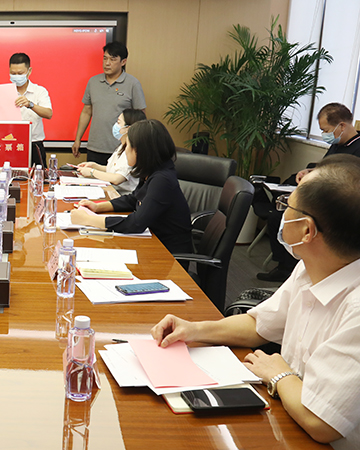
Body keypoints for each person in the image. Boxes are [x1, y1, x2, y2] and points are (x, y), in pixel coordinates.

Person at [151, 160, 360, 449]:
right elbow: (258, 325)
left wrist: (279, 374)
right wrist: (193, 330)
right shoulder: (311, 267)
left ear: (307, 231)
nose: (282, 212)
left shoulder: (355, 309)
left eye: (287, 205)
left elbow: (321, 422)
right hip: (288, 417)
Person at [258, 102, 360, 282]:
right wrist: (310, 172)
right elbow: (326, 168)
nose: (324, 135)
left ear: (342, 126)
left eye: (326, 130)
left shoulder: (357, 149)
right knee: (277, 216)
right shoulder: (337, 144)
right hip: (321, 198)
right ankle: (285, 267)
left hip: (339, 208)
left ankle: (294, 267)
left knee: (285, 219)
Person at [70, 119, 192, 254]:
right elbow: (133, 199)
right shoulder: (151, 171)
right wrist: (98, 207)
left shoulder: (162, 180)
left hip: (168, 253)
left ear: (142, 151)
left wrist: (89, 220)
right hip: (151, 242)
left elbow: (137, 223)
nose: (125, 151)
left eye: (128, 146)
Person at [71, 41, 147, 165]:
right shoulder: (93, 82)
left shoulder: (133, 84)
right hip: (94, 147)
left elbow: (140, 118)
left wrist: (135, 145)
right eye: (105, 58)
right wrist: (77, 139)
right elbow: (86, 112)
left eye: (112, 59)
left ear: (123, 62)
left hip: (121, 148)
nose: (107, 63)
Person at [0, 52, 53, 168]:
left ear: (29, 71)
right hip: (8, 145)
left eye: (20, 73)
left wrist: (30, 104)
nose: (16, 76)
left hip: (33, 144)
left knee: (37, 177)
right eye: (13, 73)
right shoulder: (3, 91)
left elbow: (49, 114)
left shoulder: (39, 91)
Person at [75, 108, 145, 194]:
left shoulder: (131, 151)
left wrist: (92, 172)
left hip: (123, 196)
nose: (115, 125)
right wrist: (94, 166)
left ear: (128, 128)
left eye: (119, 123)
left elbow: (117, 178)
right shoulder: (121, 146)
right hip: (112, 191)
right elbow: (113, 169)